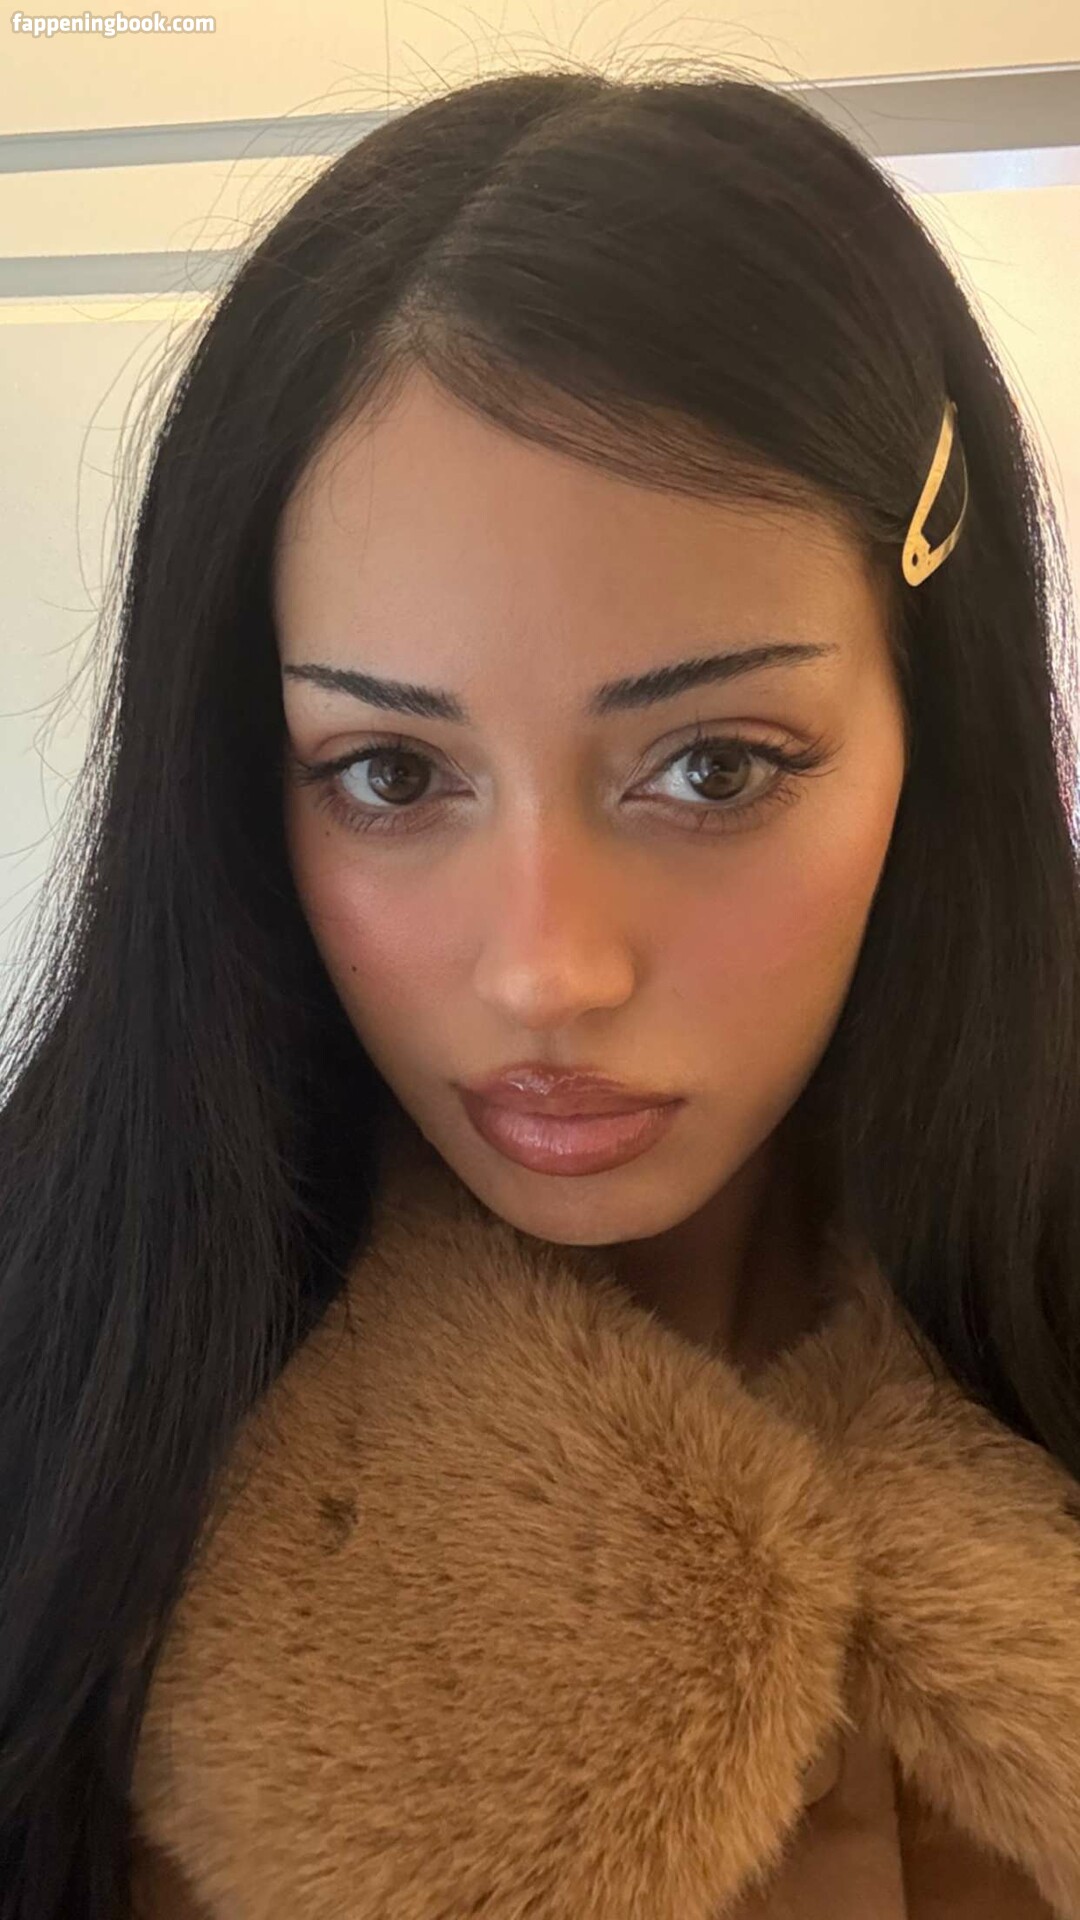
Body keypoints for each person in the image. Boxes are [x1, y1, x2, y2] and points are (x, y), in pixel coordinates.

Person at [1, 63, 1079, 1920]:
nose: (545, 969)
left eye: (715, 768)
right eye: (393, 773)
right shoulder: (57, 1432)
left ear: (935, 728)